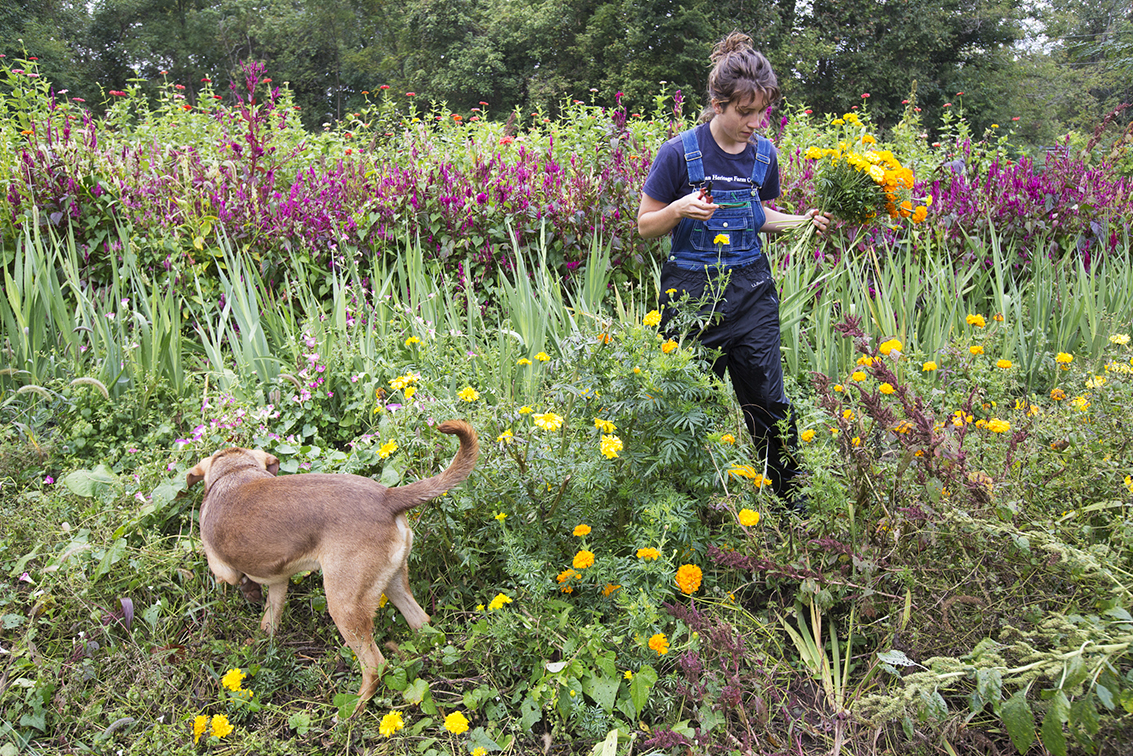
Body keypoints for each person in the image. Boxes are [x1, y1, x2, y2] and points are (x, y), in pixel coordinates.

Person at [637, 31, 830, 509]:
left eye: (761, 111)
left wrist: (801, 222)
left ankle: (793, 510)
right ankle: (683, 510)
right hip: (689, 301)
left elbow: (757, 216)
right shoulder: (678, 153)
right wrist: (679, 209)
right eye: (745, 112)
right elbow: (645, 226)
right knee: (687, 410)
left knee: (769, 403)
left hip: (751, 293)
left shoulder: (764, 157)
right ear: (718, 103)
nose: (754, 122)